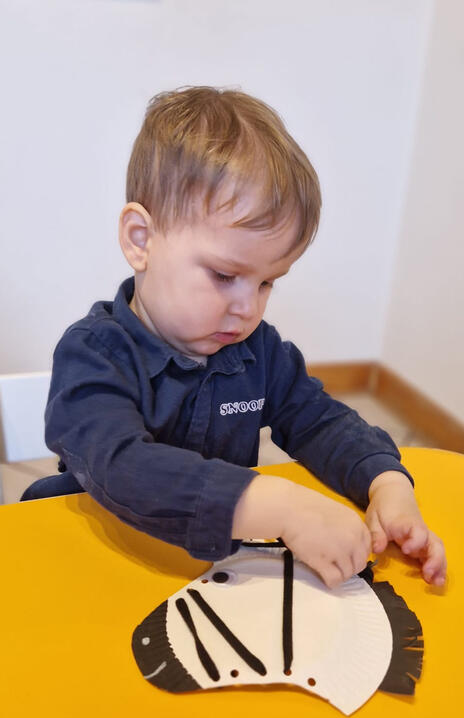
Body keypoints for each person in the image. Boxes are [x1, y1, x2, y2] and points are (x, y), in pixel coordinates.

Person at [43, 86, 446, 589]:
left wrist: (384, 480)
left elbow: (319, 421)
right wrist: (272, 504)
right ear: (141, 240)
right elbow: (121, 467)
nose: (248, 307)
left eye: (267, 282)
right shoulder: (93, 354)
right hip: (100, 556)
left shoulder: (257, 351)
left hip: (214, 575)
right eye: (223, 275)